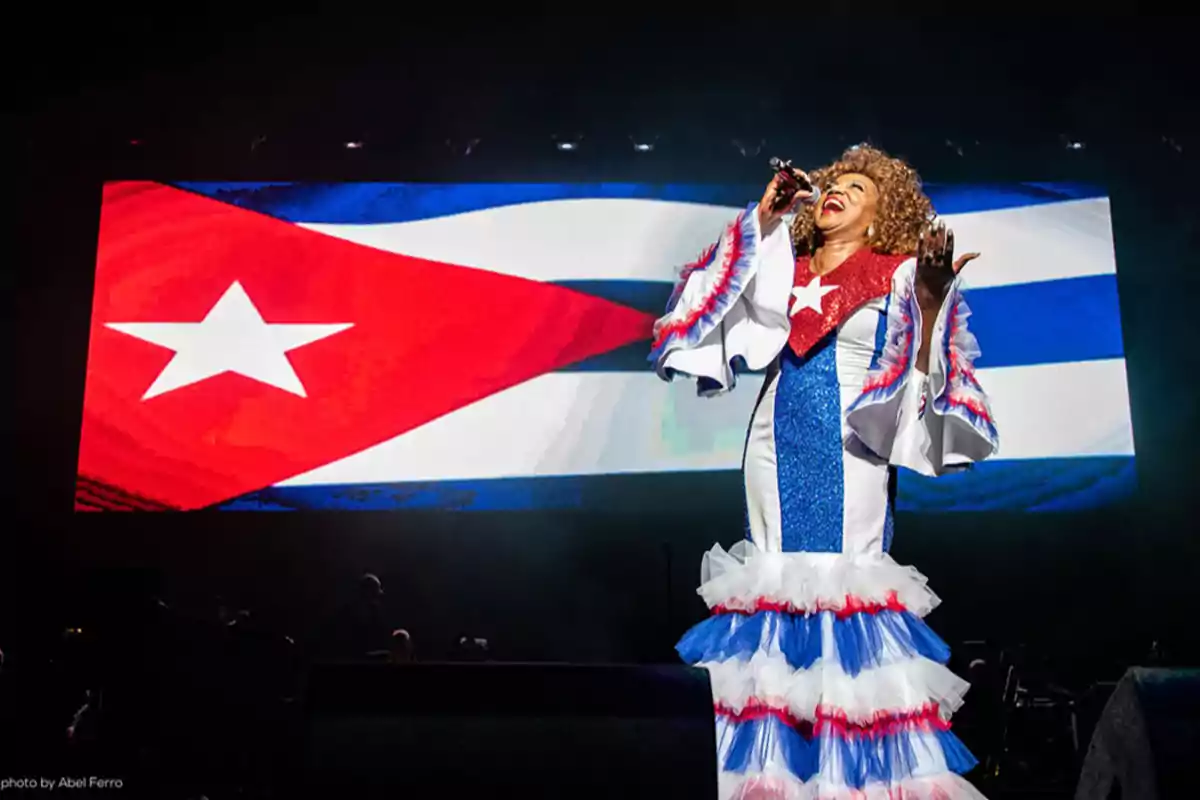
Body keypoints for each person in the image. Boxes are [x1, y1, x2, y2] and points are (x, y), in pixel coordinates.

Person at [651, 144, 998, 799]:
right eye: (834, 182)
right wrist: (765, 216)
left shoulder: (900, 272)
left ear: (883, 212)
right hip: (772, 439)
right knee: (774, 578)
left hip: (852, 445)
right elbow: (706, 309)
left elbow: (922, 384)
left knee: (845, 588)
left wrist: (928, 303)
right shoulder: (784, 260)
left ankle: (850, 779)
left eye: (858, 187)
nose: (837, 190)